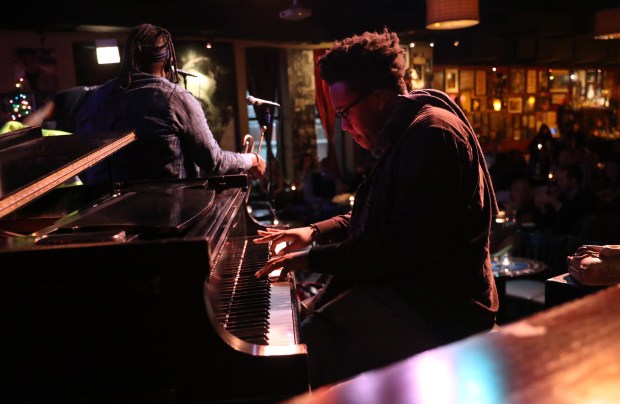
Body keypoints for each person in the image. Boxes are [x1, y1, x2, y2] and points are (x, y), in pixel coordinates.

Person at [253, 28, 499, 388]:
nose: (343, 126)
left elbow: (401, 245)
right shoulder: (407, 130)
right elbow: (387, 214)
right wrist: (314, 232)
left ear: (380, 98)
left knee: (311, 338)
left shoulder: (431, 137)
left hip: (443, 306)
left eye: (344, 113)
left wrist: (311, 257)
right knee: (302, 320)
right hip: (413, 288)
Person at [76, 23, 265, 185]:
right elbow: (214, 163)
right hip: (168, 218)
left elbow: (80, 166)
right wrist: (252, 159)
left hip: (105, 217)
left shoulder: (94, 98)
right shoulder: (175, 98)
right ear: (168, 62)